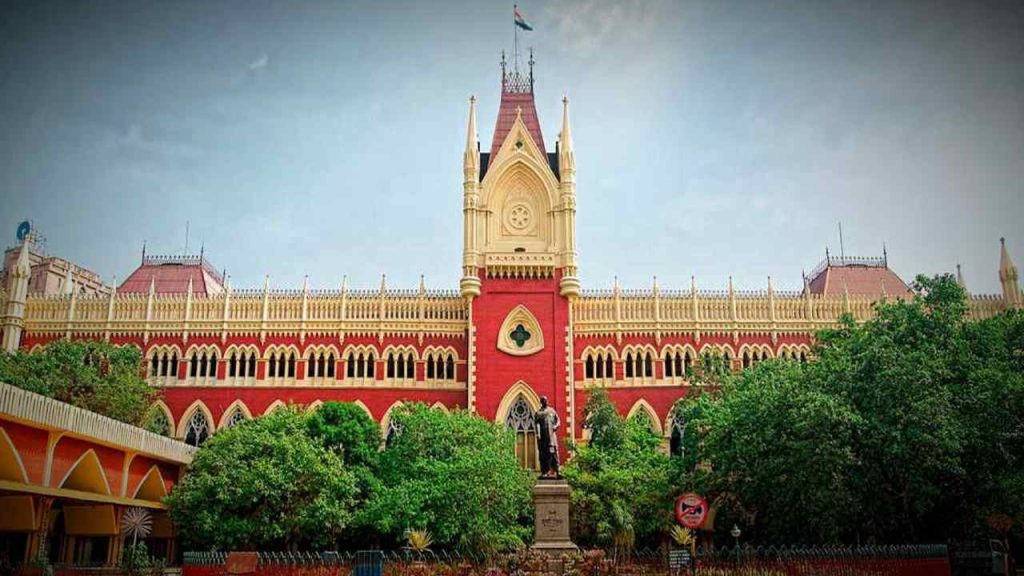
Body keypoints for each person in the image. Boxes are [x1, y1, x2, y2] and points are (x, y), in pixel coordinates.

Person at [534, 396, 560, 477]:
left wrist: (556, 426)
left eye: (546, 400)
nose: (545, 402)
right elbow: (536, 424)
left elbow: (558, 420)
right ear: (541, 402)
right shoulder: (538, 413)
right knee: (544, 454)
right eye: (543, 401)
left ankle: (557, 470)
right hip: (543, 437)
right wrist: (538, 434)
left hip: (552, 436)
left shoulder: (552, 411)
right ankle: (545, 471)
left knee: (554, 453)